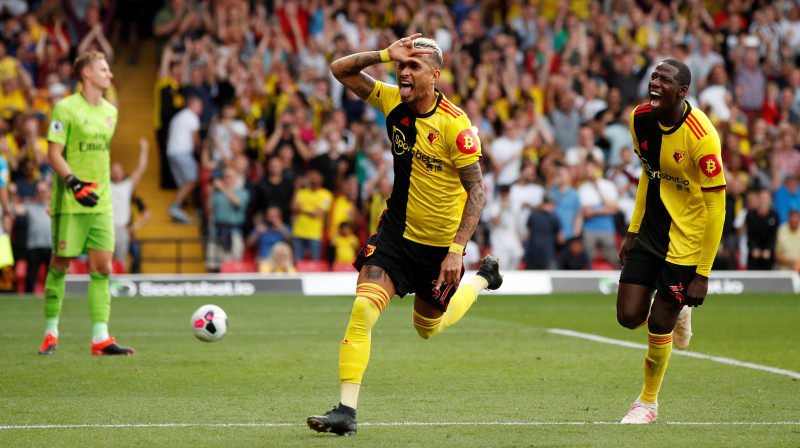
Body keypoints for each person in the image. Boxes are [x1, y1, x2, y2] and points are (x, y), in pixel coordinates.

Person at [307, 34, 503, 436]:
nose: (405, 71)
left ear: (436, 73)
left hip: (440, 249)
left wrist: (456, 251)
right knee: (363, 310)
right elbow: (339, 70)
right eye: (402, 65)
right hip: (396, 235)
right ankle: (346, 412)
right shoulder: (393, 99)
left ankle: (483, 278)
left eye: (415, 66)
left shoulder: (456, 126)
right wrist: (382, 54)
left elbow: (478, 192)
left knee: (428, 327)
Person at [616, 59, 725, 423]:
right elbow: (649, 175)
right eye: (653, 77)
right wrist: (632, 231)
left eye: (664, 80)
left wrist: (703, 273)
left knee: (658, 322)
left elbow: (717, 207)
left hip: (689, 239)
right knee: (628, 316)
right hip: (652, 228)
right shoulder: (640, 118)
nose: (655, 83)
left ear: (682, 92)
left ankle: (647, 403)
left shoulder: (702, 137)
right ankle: (676, 305)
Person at [38, 51, 134, 356]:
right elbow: (54, 154)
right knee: (60, 265)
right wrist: (74, 183)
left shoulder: (111, 112)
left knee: (102, 267)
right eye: (104, 69)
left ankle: (100, 337)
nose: (110, 74)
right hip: (70, 199)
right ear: (87, 74)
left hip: (101, 202)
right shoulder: (64, 108)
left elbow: (100, 155)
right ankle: (50, 333)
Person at [110, 137, 148, 272]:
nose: (115, 173)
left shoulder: (127, 186)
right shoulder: (106, 185)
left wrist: (144, 149)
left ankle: (121, 288)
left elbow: (141, 168)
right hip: (107, 229)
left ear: (122, 172)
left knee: (121, 262)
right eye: (113, 171)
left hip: (121, 229)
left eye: (117, 170)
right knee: (105, 262)